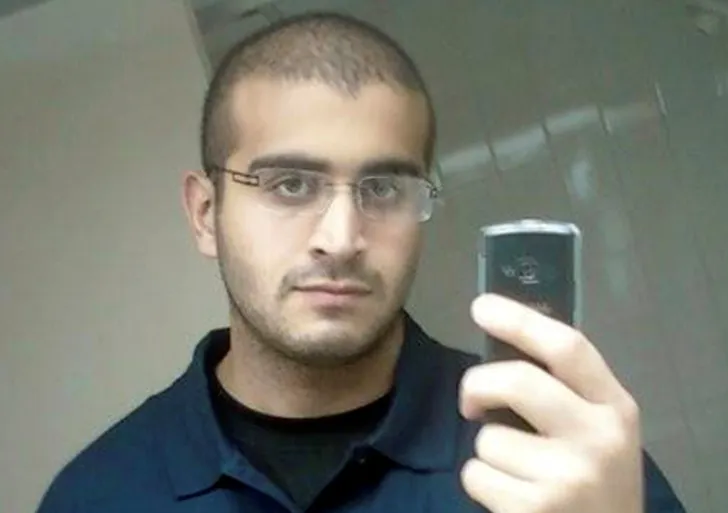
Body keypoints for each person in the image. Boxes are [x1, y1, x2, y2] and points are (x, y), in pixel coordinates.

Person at [37, 11, 686, 513]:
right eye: (291, 184)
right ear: (206, 213)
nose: (341, 237)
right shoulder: (96, 495)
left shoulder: (562, 457)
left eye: (383, 188)